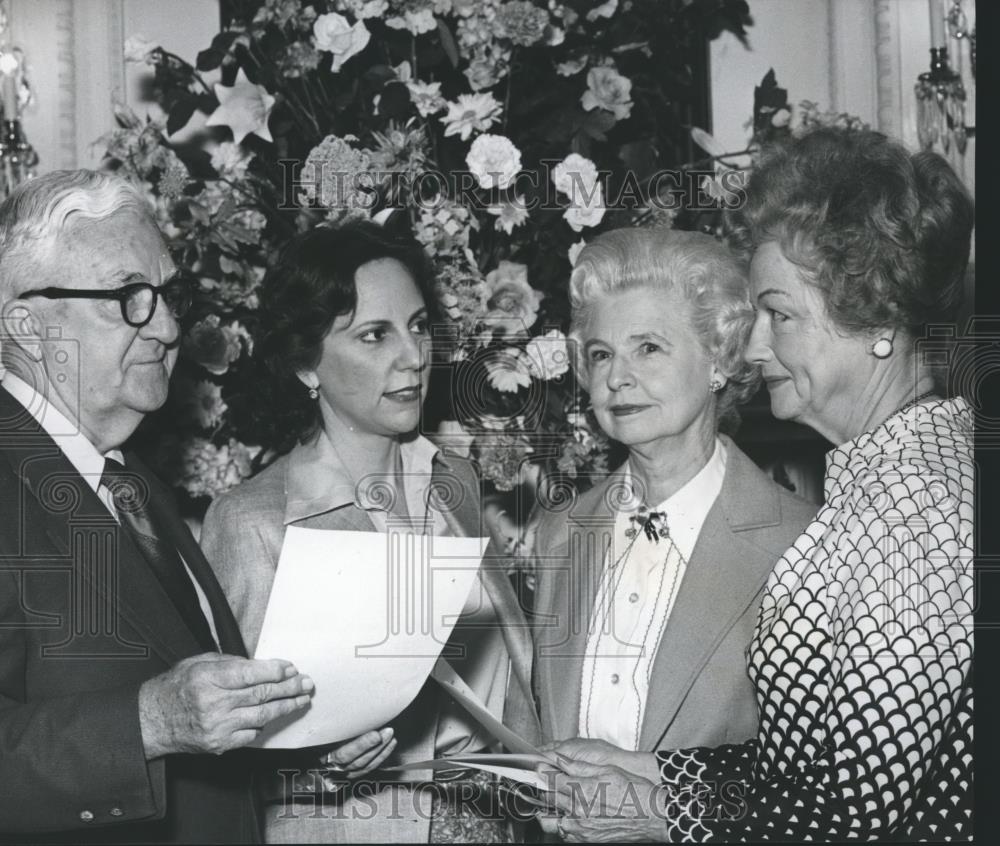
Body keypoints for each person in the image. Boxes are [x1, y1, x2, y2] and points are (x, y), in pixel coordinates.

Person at [541, 127, 975, 841]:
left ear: (877, 319)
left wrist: (654, 810)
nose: (752, 345)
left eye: (779, 314)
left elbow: (856, 813)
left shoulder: (915, 500)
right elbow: (810, 769)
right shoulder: (881, 482)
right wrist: (649, 770)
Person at [0, 170, 316, 843]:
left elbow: (197, 731)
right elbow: (160, 714)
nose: (168, 327)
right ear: (26, 325)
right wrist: (149, 721)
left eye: (166, 292)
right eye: (127, 298)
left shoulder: (132, 482)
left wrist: (303, 747)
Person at [200, 219, 537, 843]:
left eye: (416, 326)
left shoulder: (453, 480)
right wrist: (318, 765)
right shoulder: (253, 522)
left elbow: (511, 679)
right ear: (307, 366)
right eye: (374, 336)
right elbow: (220, 752)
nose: (412, 356)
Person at [524, 227, 815, 830]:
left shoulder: (802, 543)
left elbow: (818, 790)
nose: (617, 378)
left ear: (720, 357)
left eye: (648, 348)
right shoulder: (559, 532)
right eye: (601, 353)